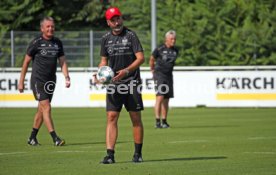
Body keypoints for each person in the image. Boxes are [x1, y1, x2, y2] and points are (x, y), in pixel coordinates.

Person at [95, 7, 145, 164]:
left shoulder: (131, 36)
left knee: (135, 117)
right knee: (111, 117)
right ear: (108, 22)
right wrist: (100, 74)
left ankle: (137, 154)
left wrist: (126, 71)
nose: (117, 22)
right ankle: (110, 155)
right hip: (113, 84)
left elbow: (141, 58)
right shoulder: (105, 39)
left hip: (131, 82)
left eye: (119, 18)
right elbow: (104, 60)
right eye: (113, 19)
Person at [18, 17, 71, 146]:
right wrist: (21, 81)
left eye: (52, 26)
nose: (50, 29)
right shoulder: (36, 42)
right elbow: (25, 63)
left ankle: (32, 138)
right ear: (42, 28)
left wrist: (67, 77)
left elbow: (62, 61)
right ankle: (55, 138)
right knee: (46, 107)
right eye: (47, 26)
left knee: (41, 110)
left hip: (51, 81)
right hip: (38, 80)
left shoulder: (58, 43)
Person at [149, 30, 178, 128]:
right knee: (160, 97)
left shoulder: (175, 50)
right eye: (171, 39)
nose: (173, 41)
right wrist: (152, 70)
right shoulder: (159, 49)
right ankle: (157, 121)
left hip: (169, 76)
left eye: (174, 39)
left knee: (166, 99)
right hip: (159, 75)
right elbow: (152, 59)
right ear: (166, 39)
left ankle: (164, 121)